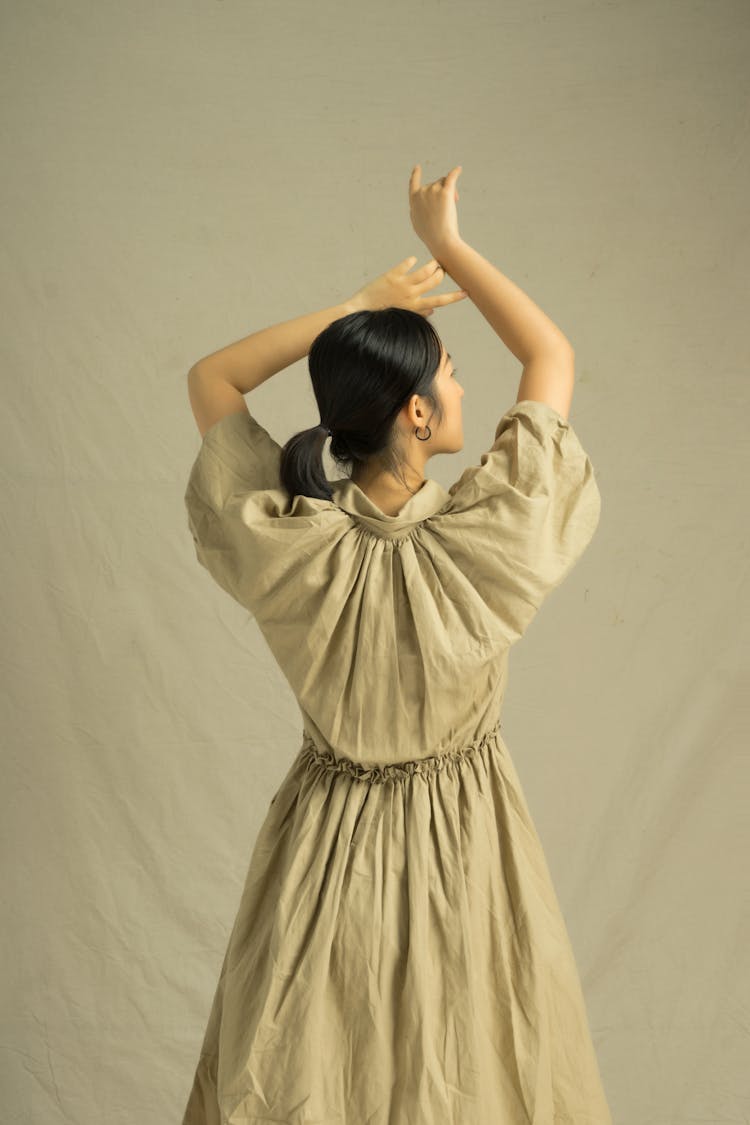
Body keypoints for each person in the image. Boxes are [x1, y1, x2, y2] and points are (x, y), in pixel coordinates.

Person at [181, 165, 612, 1125]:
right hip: (470, 847)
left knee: (309, 1079)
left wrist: (362, 307)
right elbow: (551, 356)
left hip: (321, 851)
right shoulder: (482, 542)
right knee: (478, 1077)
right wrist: (451, 247)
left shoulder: (291, 543)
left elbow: (213, 379)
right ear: (417, 413)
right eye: (449, 375)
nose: (459, 385)